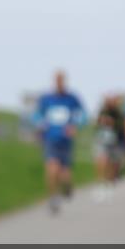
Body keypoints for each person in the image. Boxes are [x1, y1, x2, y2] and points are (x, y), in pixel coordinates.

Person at [32, 71, 86, 214]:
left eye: (61, 80)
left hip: (66, 140)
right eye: (57, 80)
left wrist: (75, 126)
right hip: (50, 139)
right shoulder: (46, 98)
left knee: (64, 173)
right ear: (54, 82)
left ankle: (67, 186)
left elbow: (83, 115)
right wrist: (40, 125)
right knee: (51, 169)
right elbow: (36, 115)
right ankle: (53, 197)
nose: (59, 83)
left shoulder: (72, 98)